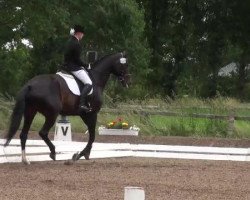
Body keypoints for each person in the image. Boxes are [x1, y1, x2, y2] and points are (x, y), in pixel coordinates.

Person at [64, 25, 93, 112]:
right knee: (89, 83)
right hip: (73, 67)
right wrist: (86, 65)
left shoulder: (69, 42)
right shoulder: (77, 44)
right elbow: (77, 60)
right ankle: (82, 104)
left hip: (65, 66)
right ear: (79, 33)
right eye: (82, 34)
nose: (83, 36)